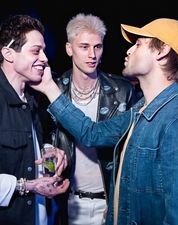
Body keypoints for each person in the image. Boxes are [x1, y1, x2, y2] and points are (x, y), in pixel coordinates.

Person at [30, 18, 178, 225]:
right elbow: (91, 133)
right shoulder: (140, 111)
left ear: (162, 51)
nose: (129, 51)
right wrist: (49, 87)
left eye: (138, 44)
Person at [0, 14, 69, 225]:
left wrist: (48, 150)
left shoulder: (32, 99)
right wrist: (28, 186)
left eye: (44, 50)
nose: (45, 58)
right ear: (8, 54)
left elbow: (26, 149)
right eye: (35, 51)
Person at [43, 13, 140, 225]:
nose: (92, 54)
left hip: (109, 203)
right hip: (67, 203)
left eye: (98, 46)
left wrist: (118, 202)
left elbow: (132, 151)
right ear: (69, 49)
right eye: (84, 47)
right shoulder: (53, 90)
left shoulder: (122, 90)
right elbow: (44, 138)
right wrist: (49, 151)